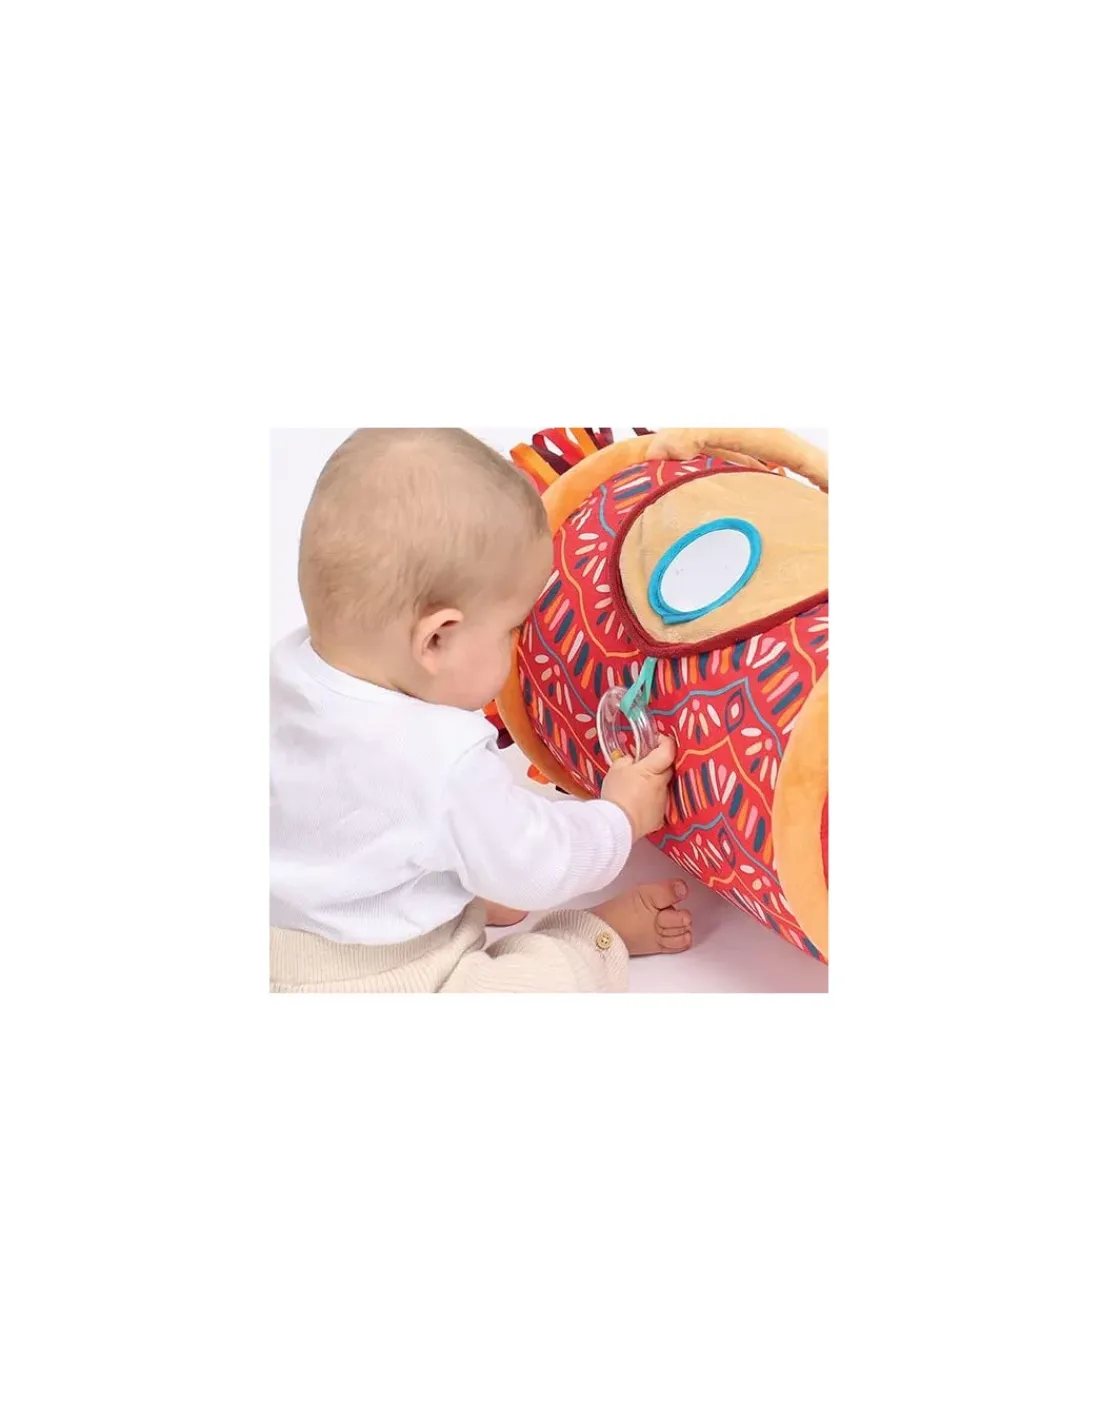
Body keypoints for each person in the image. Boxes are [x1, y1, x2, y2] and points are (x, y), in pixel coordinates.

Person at [270, 428, 692, 992]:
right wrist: (621, 816)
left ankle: (454, 880)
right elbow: (542, 861)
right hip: (387, 973)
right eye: (512, 628)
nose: (521, 645)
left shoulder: (284, 673)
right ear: (436, 640)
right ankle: (593, 938)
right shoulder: (440, 759)